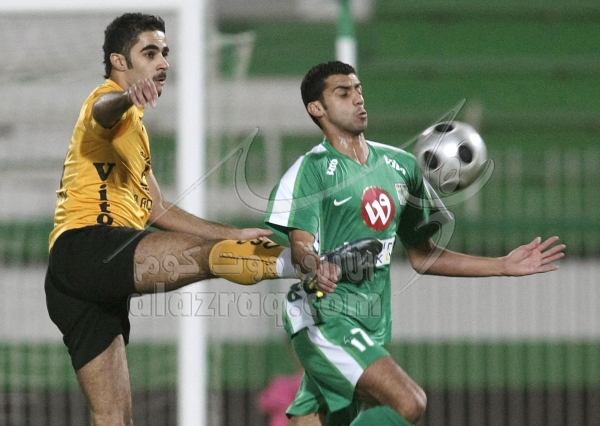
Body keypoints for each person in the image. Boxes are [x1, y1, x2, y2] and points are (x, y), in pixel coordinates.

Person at [264, 61, 566, 426]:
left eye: (359, 90)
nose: (358, 99)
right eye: (343, 93)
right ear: (317, 109)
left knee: (316, 419)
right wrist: (315, 267)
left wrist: (502, 265)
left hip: (368, 323)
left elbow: (424, 255)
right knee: (408, 403)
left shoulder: (401, 166)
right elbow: (301, 247)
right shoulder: (310, 171)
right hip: (323, 316)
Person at [44, 13, 304, 425]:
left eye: (165, 52)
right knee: (210, 257)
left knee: (114, 418)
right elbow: (103, 112)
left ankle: (291, 260)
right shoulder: (106, 100)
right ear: (119, 62)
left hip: (78, 279)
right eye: (150, 53)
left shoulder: (135, 132)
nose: (163, 62)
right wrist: (128, 97)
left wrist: (233, 232)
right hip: (90, 248)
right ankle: (302, 262)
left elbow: (156, 208)